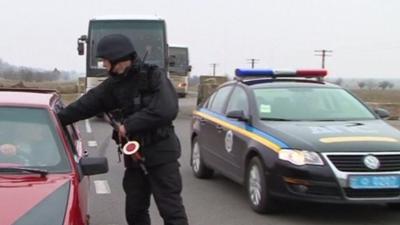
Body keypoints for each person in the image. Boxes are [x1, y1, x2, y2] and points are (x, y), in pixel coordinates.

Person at [57, 34, 189, 225]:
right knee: (134, 212)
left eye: (104, 60)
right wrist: (54, 120)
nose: (103, 65)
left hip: (162, 155)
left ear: (117, 57)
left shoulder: (154, 76)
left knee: (171, 212)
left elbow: (166, 109)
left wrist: (129, 125)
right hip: (134, 158)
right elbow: (85, 105)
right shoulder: (113, 85)